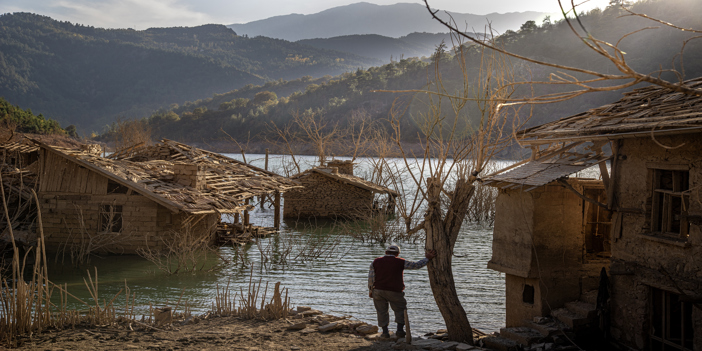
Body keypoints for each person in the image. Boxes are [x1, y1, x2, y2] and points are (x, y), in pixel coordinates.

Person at [368, 245, 437, 338]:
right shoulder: (400, 262)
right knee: (400, 310)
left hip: (378, 290)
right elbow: (416, 265)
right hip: (395, 291)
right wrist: (427, 258)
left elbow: (371, 278)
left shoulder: (375, 261)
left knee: (381, 311)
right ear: (397, 254)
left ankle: (385, 333)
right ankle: (400, 331)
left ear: (386, 252)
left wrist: (371, 290)